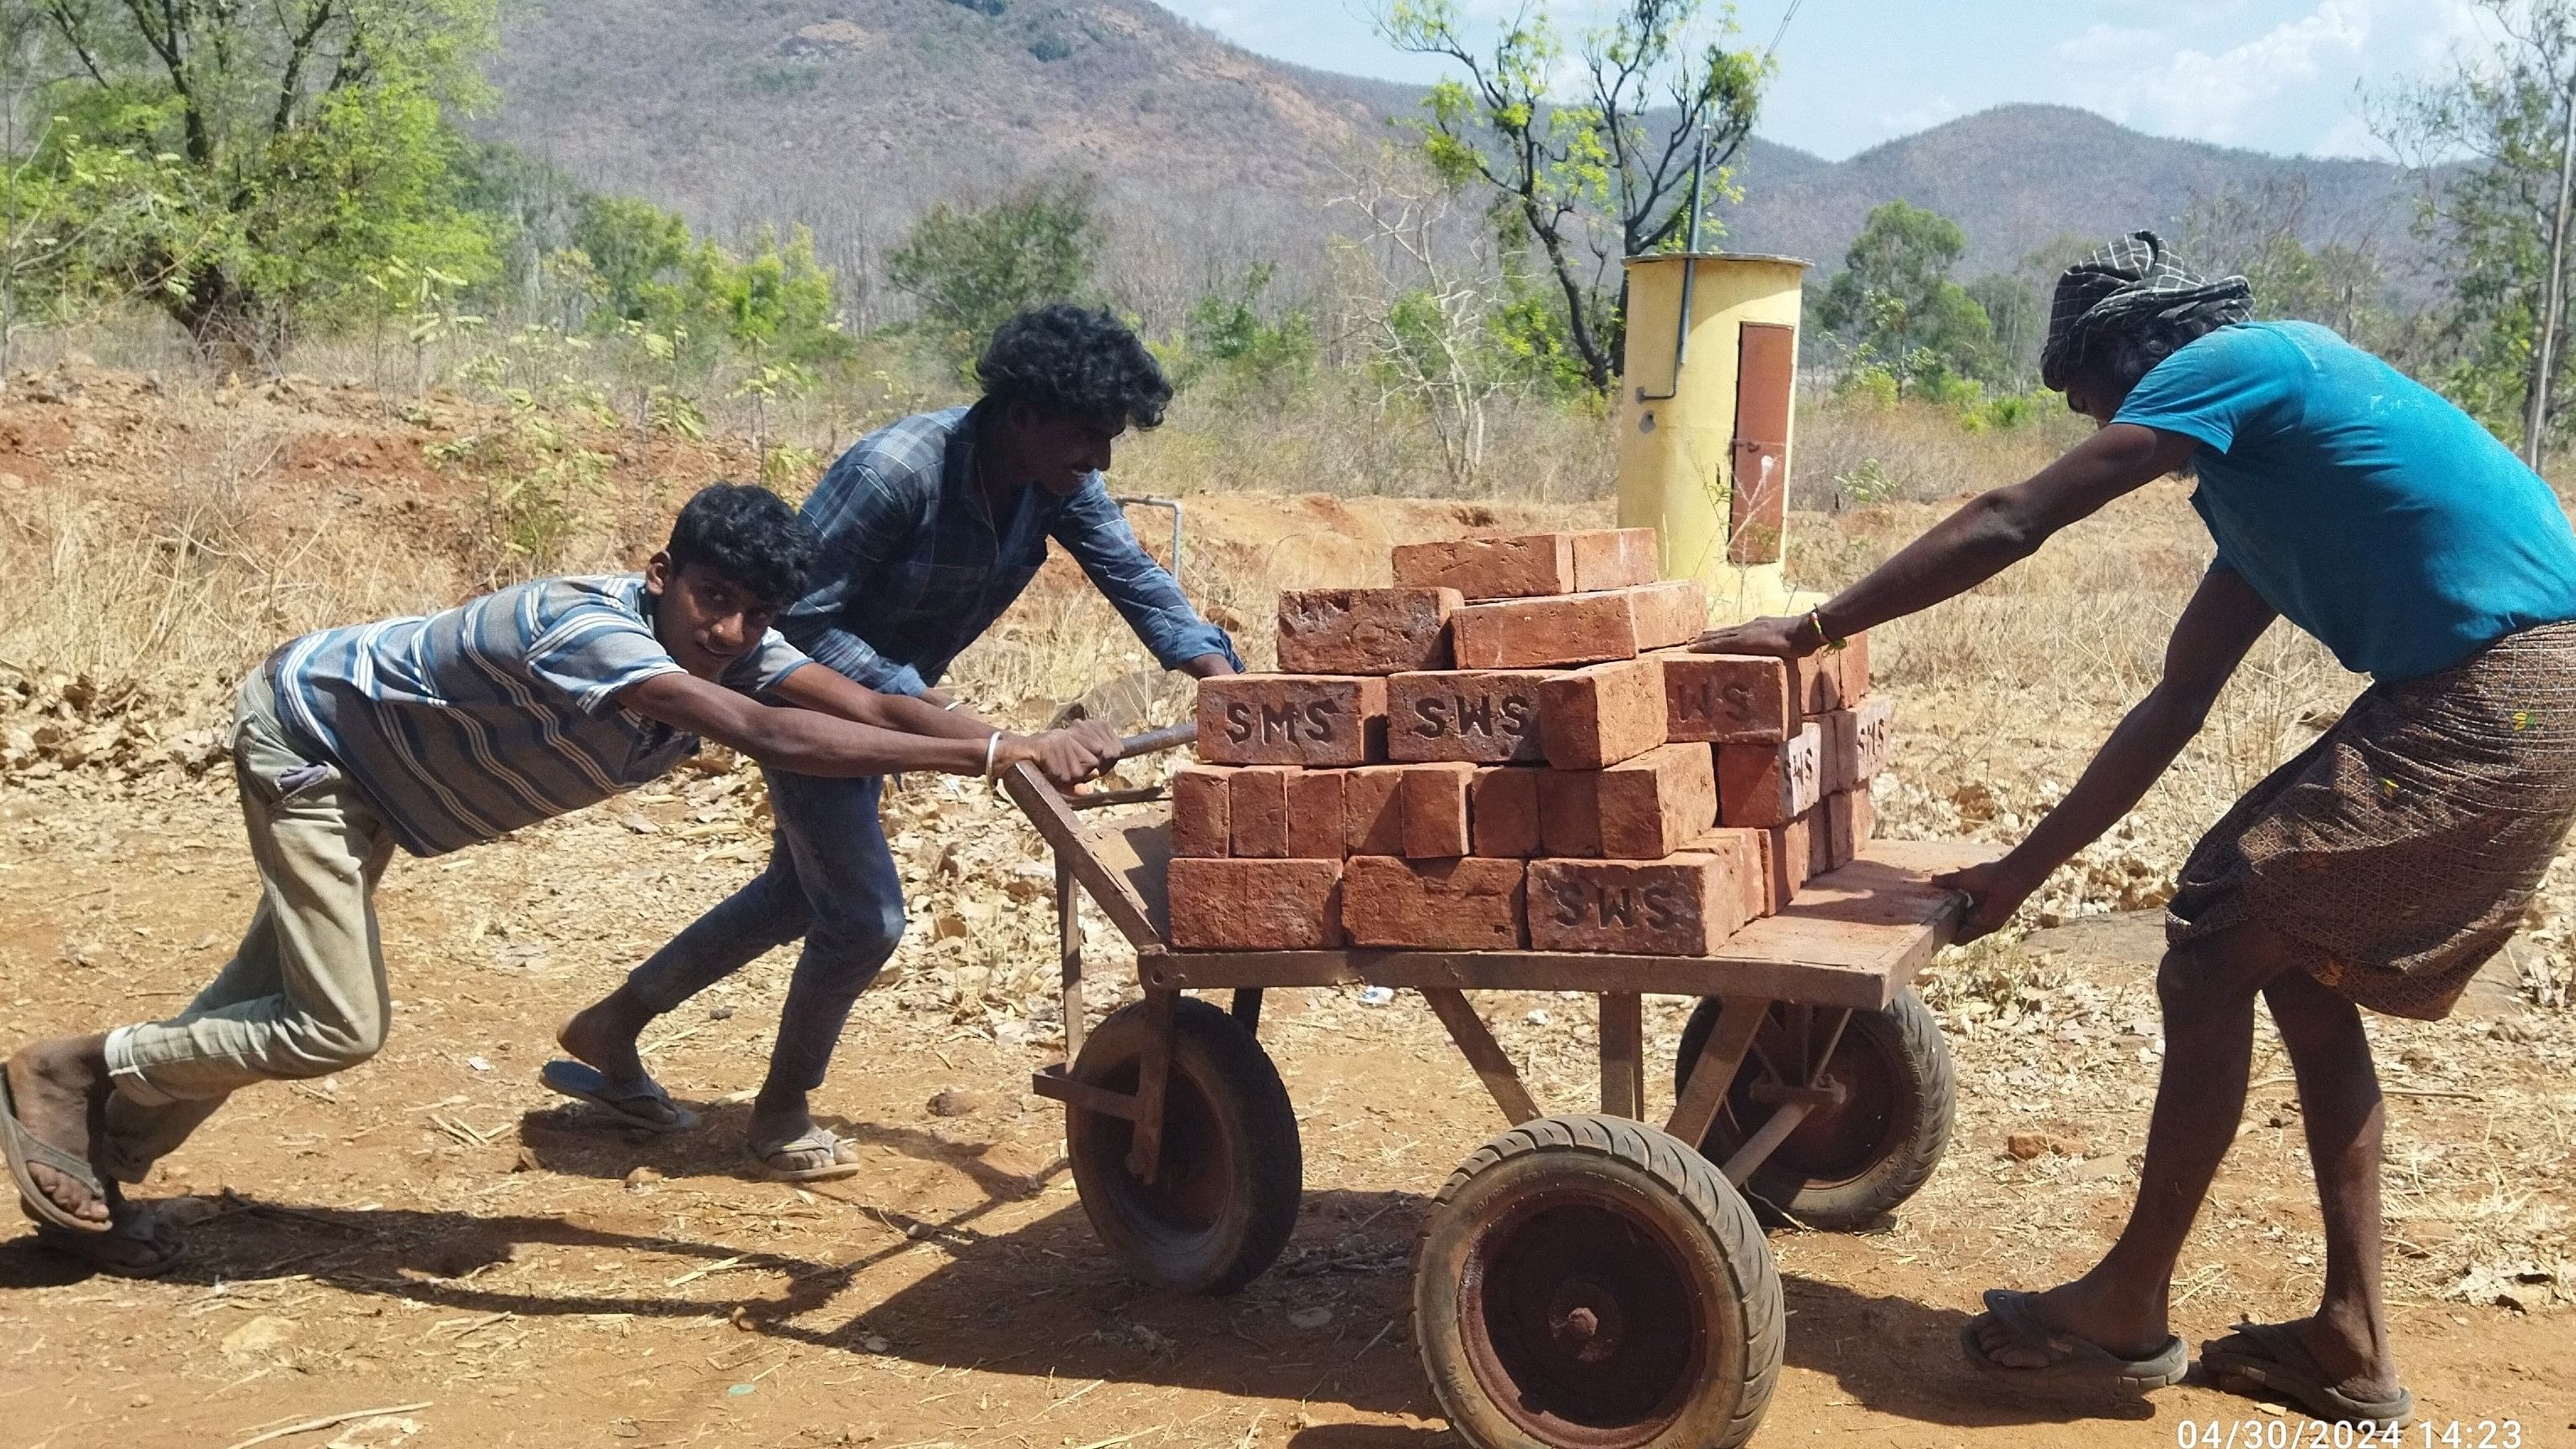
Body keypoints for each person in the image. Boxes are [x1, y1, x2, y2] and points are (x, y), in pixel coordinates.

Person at [1696, 232, 2576, 1426]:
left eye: (2087, 388)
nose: (2085, 411)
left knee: (2218, 929)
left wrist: (1809, 629)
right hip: (2512, 689)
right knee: (2298, 969)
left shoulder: (2247, 365)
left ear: (2143, 349)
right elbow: (2172, 703)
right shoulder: (2269, 482)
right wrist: (2019, 870)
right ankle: (2348, 1340)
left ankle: (2124, 1309)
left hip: (2507, 692)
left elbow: (2017, 516)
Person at [0, 484, 1119, 1277]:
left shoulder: (729, 647)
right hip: (313, 748)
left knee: (256, 1015)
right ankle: (69, 1069)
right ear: (660, 574)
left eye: (757, 615)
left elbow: (868, 707)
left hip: (379, 789)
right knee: (335, 1024)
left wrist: (1014, 737)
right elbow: (768, 734)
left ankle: (97, 1163)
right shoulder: (585, 632)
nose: (729, 631)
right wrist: (983, 758)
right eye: (711, 599)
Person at [552, 303, 1241, 1183]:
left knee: (799, 894)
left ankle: (614, 1023)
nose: (1100, 459)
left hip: (895, 706)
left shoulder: (1056, 481)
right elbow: (791, 618)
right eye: (1085, 436)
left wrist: (1215, 669)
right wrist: (926, 705)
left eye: (1109, 440)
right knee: (865, 918)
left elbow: (1132, 573)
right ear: (1022, 413)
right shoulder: (896, 471)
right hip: (803, 696)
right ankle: (780, 1113)